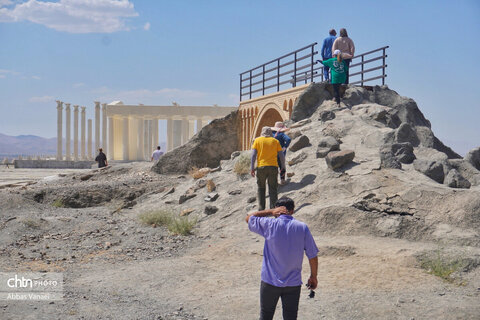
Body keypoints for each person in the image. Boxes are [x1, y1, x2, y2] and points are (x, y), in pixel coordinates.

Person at [245, 197, 319, 320]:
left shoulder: (269, 224)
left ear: (277, 210)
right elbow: (312, 255)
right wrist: (313, 276)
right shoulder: (302, 227)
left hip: (269, 282)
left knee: (266, 315)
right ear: (293, 210)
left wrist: (270, 212)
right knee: (290, 316)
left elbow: (248, 217)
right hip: (293, 283)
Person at [251, 127, 286, 210]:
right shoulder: (275, 141)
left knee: (261, 188)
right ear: (270, 132)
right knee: (273, 188)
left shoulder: (257, 140)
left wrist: (252, 167)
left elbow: (253, 155)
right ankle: (273, 209)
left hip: (261, 167)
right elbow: (281, 155)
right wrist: (283, 166)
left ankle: (261, 209)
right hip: (273, 167)